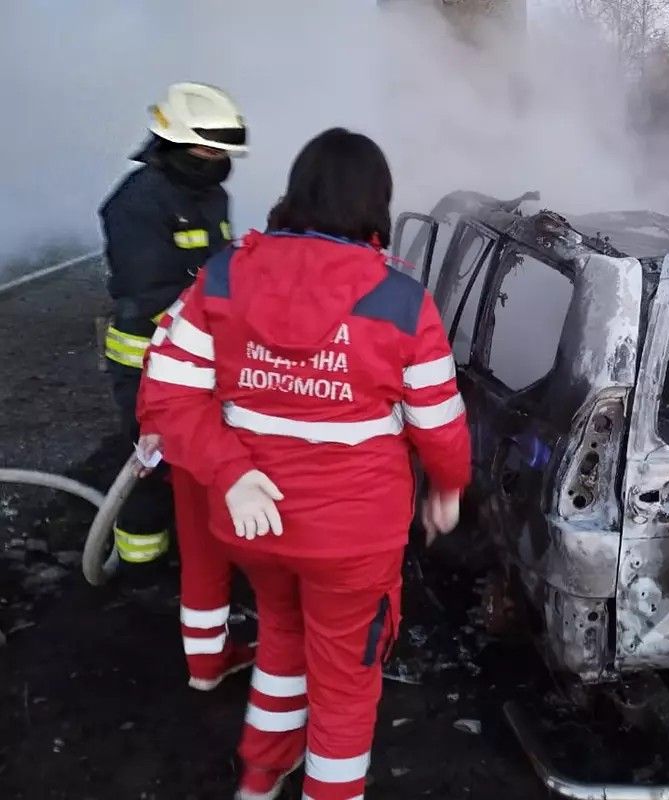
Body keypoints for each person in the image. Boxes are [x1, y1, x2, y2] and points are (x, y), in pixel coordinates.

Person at [137, 128, 471, 800]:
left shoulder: (227, 272)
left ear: (299, 191)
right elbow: (440, 423)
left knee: (283, 634)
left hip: (254, 523)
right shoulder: (403, 301)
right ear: (377, 201)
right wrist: (450, 485)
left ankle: (261, 774)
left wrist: (228, 473)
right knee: (346, 684)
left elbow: (165, 391)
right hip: (350, 539)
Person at [99, 81, 255, 688]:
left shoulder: (207, 193)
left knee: (194, 457)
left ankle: (194, 561)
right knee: (151, 460)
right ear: (175, 143)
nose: (218, 164)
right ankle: (141, 570)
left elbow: (216, 267)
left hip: (197, 353)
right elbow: (149, 290)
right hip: (146, 359)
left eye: (224, 155)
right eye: (208, 152)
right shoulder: (137, 202)